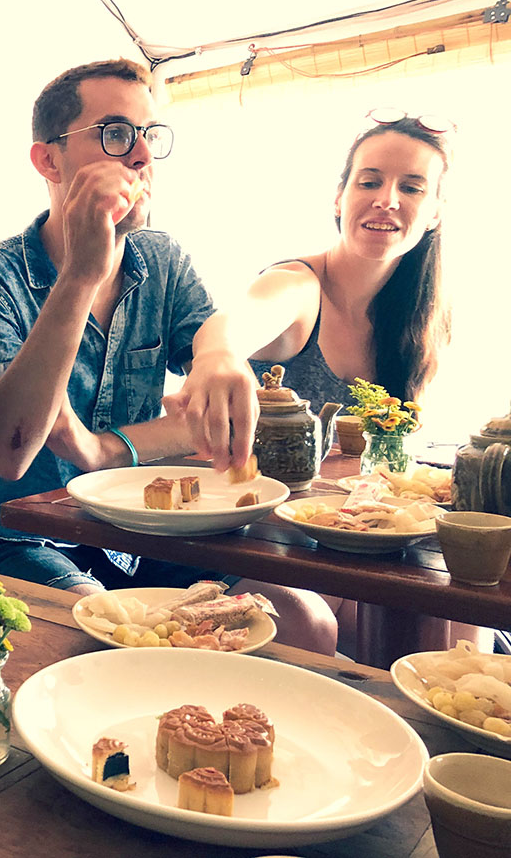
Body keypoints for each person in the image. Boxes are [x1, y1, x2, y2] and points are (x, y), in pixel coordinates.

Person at [0, 59, 337, 652]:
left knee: (304, 620)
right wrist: (80, 274)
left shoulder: (161, 259)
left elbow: (202, 411)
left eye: (150, 135)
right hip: (6, 536)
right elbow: (8, 454)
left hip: (134, 534)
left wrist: (217, 357)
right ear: (48, 160)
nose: (143, 157)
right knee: (117, 635)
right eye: (117, 134)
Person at [180, 111, 463, 655]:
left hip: (350, 546)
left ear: (433, 214)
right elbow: (240, 320)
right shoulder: (298, 286)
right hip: (253, 546)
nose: (387, 199)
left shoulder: (420, 325)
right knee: (310, 624)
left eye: (411, 187)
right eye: (370, 181)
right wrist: (216, 353)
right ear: (339, 197)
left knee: (452, 629)